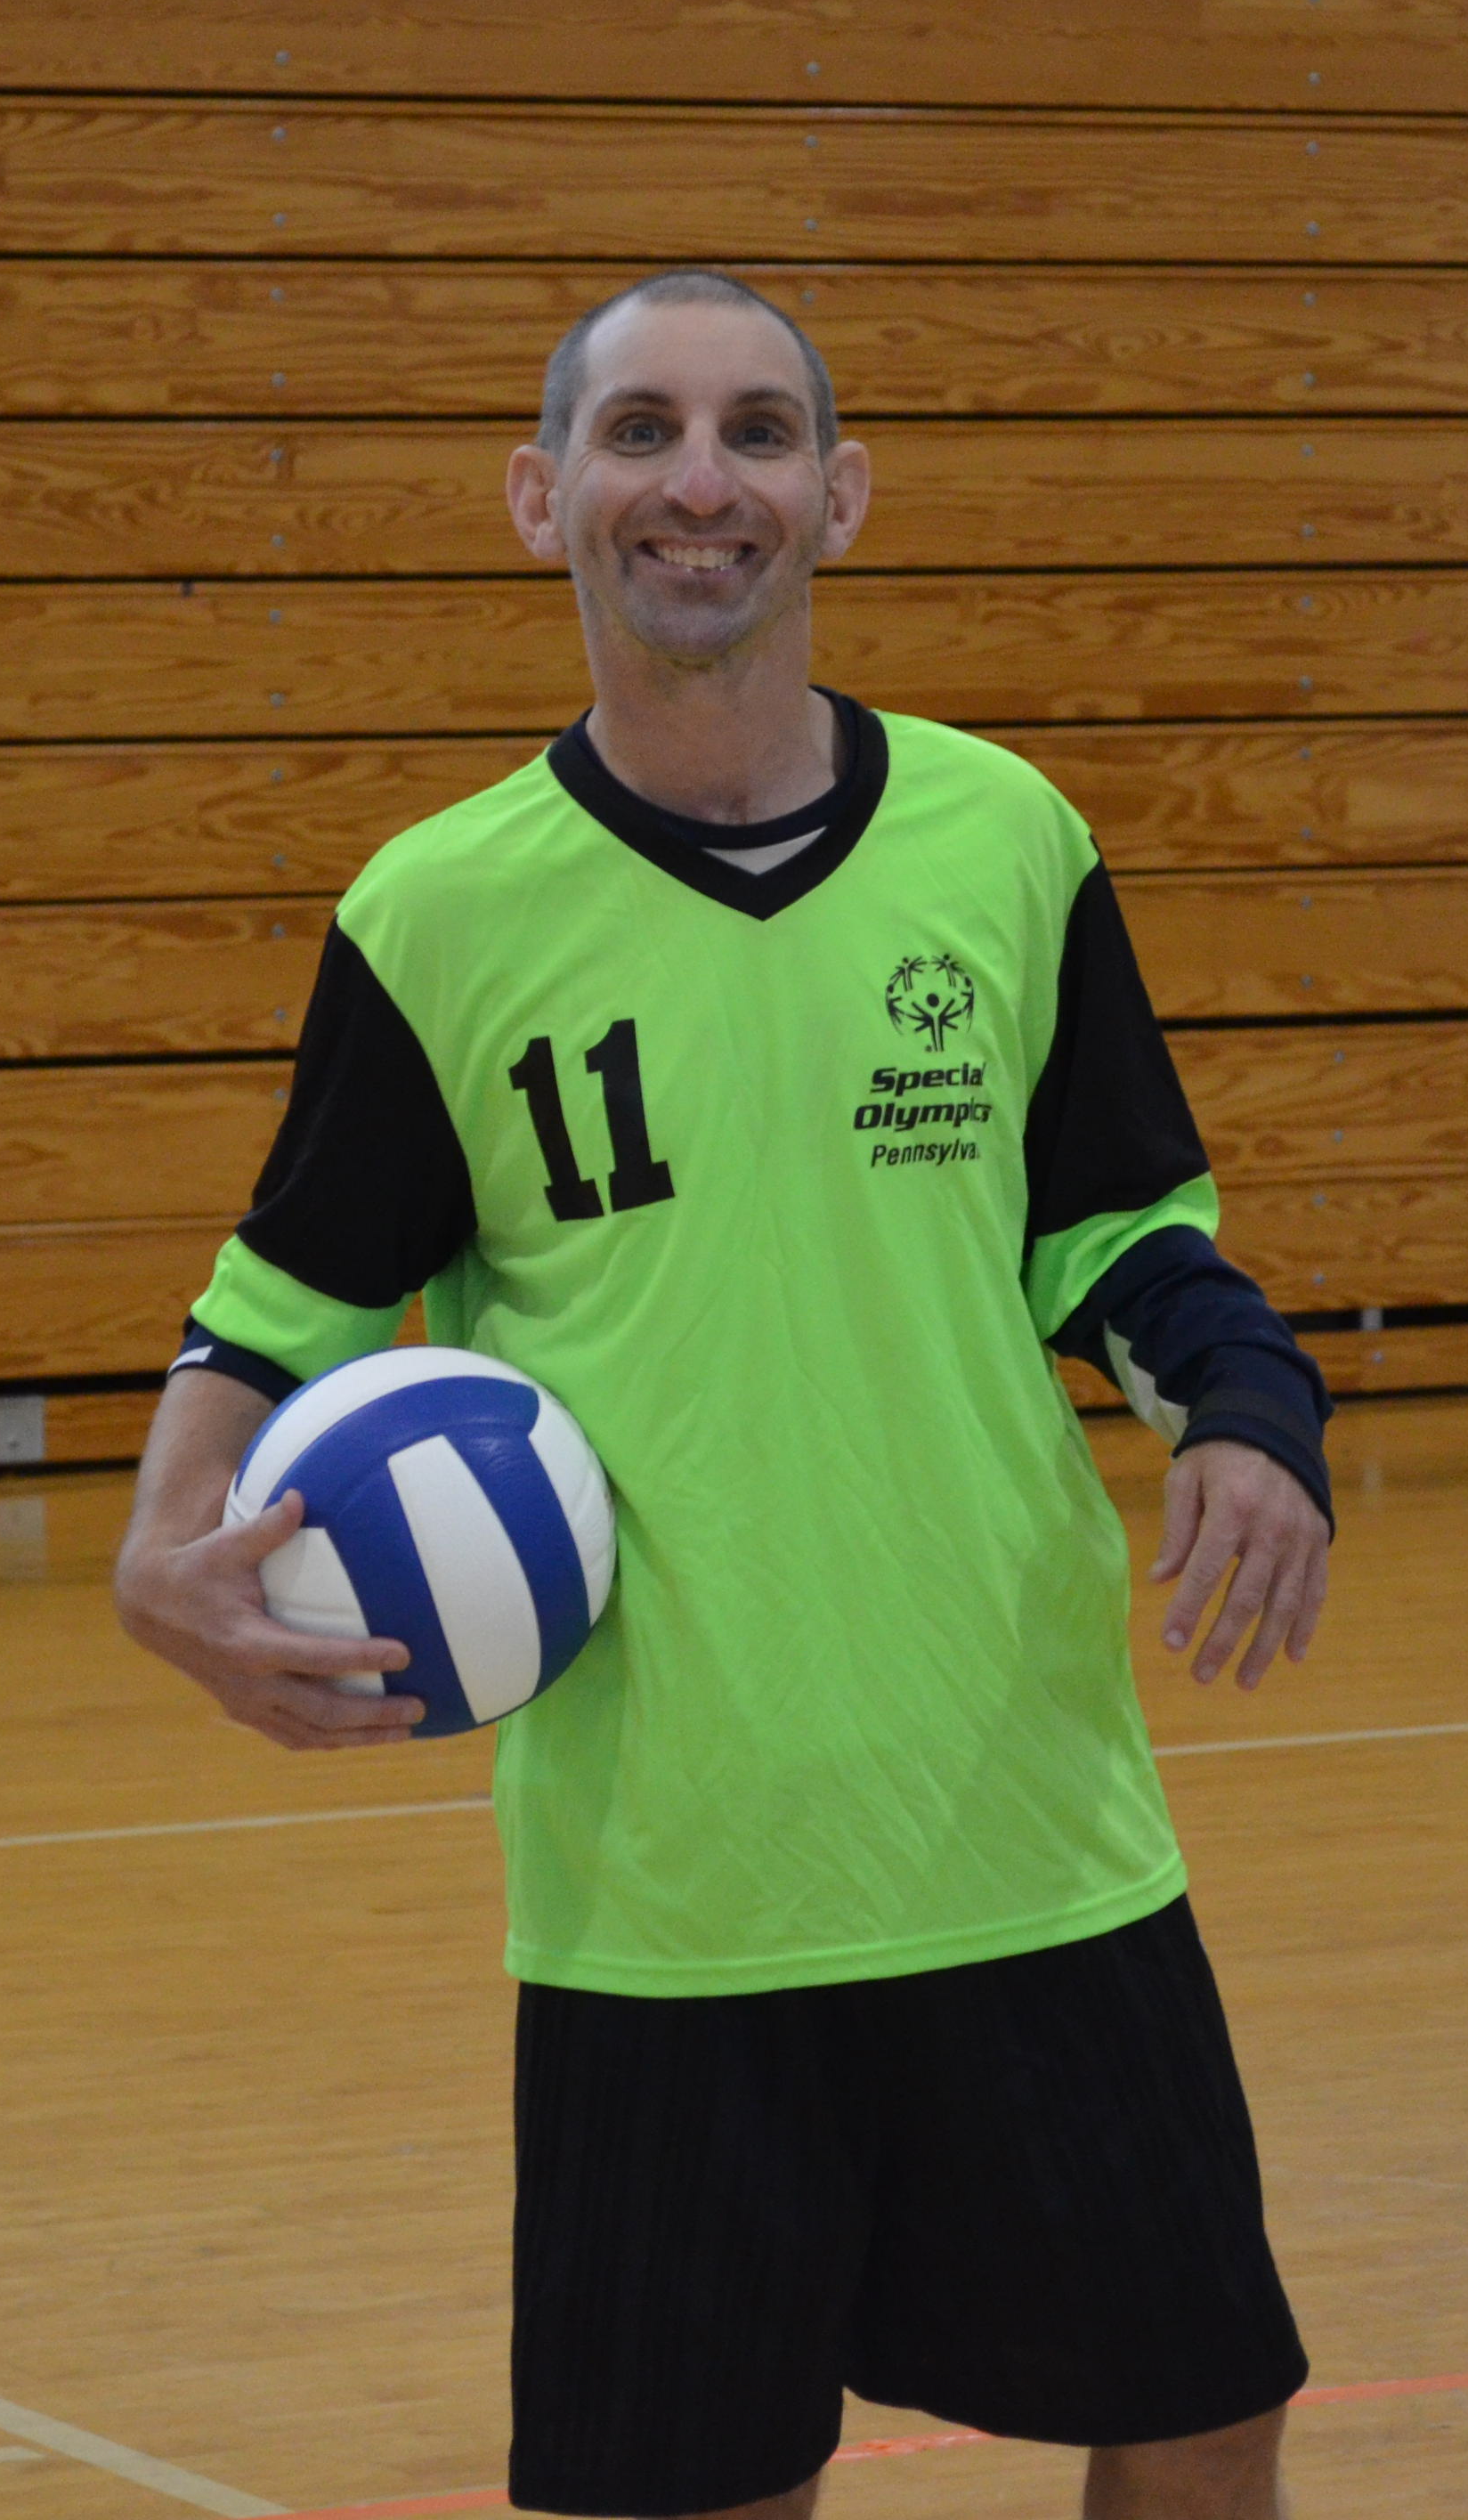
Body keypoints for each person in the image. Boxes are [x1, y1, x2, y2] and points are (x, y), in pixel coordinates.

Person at [113, 270, 1339, 2520]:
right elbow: (272, 1307)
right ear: (541, 495)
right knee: (692, 2486)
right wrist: (157, 1562)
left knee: (1201, 2409)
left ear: (839, 496)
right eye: (644, 430)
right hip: (666, 1884)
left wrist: (1251, 1413)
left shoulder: (1007, 841)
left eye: (761, 434)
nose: (703, 481)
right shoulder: (441, 911)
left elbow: (1122, 1235)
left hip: (1028, 1830)